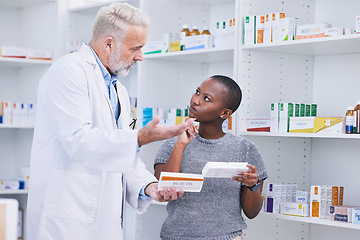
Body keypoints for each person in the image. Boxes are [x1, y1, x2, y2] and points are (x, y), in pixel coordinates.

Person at [26, 3, 193, 240]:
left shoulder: (118, 90)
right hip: (66, 219)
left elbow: (120, 155)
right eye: (135, 48)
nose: (140, 57)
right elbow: (79, 142)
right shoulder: (68, 71)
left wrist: (149, 187)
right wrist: (140, 137)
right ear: (109, 43)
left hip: (104, 220)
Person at [154, 75, 268, 240]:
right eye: (197, 92)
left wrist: (253, 186)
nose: (195, 100)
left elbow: (251, 212)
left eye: (206, 98)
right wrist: (180, 146)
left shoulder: (246, 149)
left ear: (225, 113)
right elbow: (163, 192)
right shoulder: (172, 144)